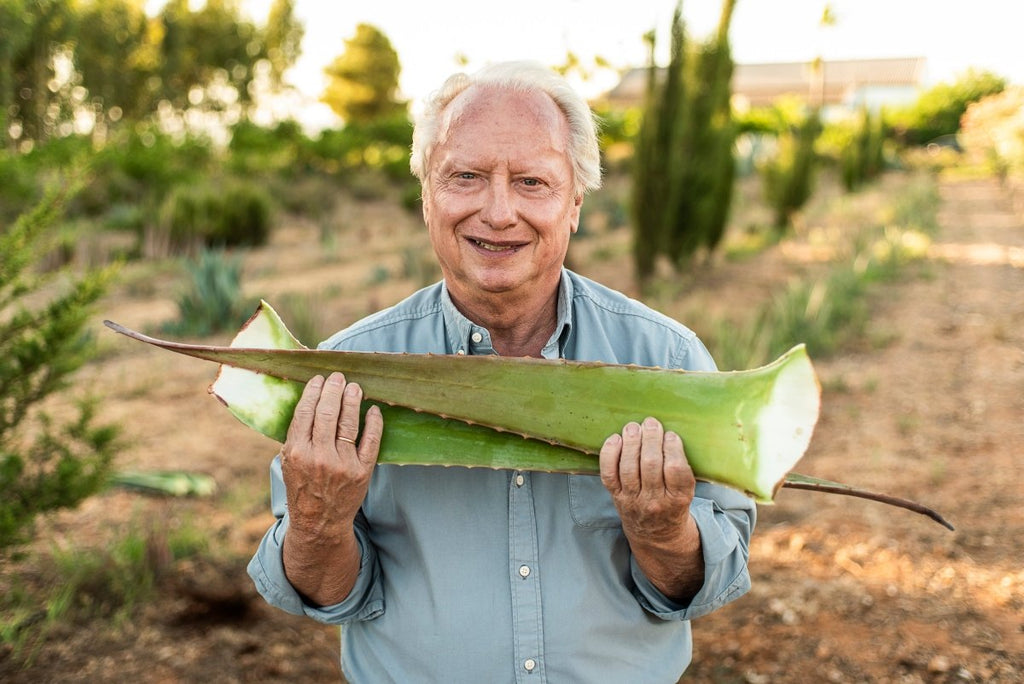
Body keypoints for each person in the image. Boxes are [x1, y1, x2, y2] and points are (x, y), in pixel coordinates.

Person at [248, 61, 755, 683]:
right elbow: (323, 594)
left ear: (573, 203)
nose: (498, 211)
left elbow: (716, 580)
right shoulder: (343, 377)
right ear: (426, 197)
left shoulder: (668, 362)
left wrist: (666, 533)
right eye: (465, 176)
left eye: (531, 182)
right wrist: (319, 521)